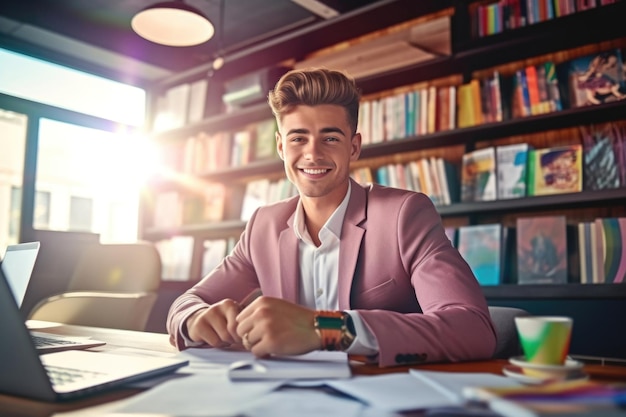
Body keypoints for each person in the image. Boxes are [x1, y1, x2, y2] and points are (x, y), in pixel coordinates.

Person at [167, 68, 496, 367]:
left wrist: (326, 330)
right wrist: (196, 319)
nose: (312, 154)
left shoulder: (404, 215)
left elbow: (472, 328)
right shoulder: (262, 226)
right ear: (281, 147)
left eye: (330, 138)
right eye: (298, 138)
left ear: (353, 147)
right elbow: (188, 302)